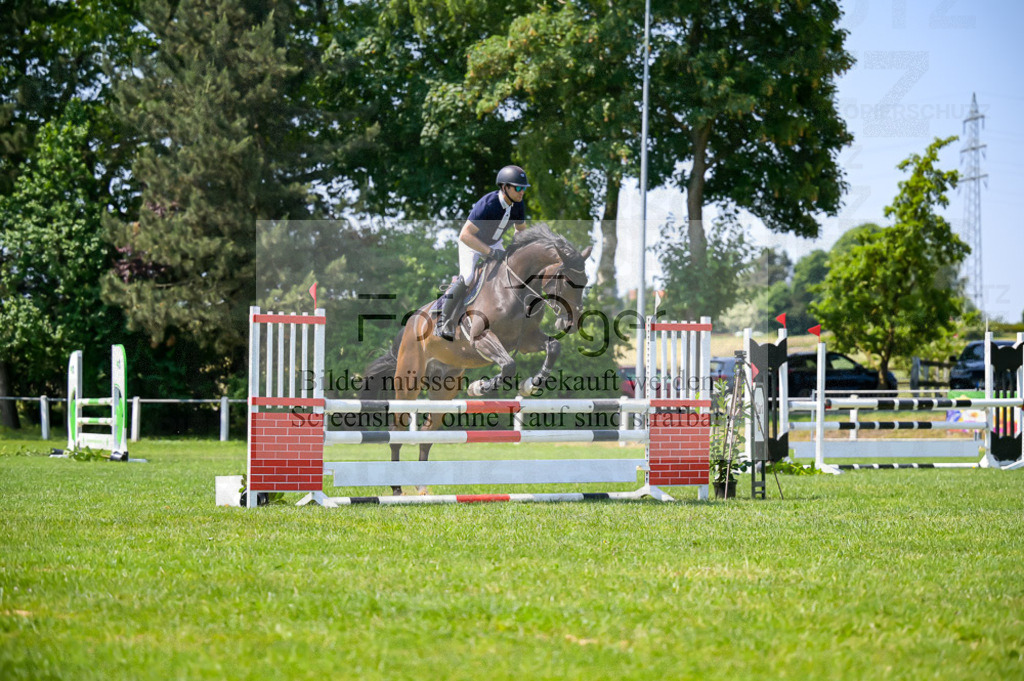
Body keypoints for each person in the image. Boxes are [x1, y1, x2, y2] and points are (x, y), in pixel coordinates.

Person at [434, 165, 530, 339]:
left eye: (523, 188)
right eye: (518, 188)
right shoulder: (488, 204)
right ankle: (443, 321)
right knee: (468, 276)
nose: (522, 191)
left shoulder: (518, 205)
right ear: (505, 187)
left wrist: (517, 246)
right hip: (471, 244)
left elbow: (521, 230)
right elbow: (465, 235)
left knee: (513, 271)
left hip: (494, 243)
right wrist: (491, 253)